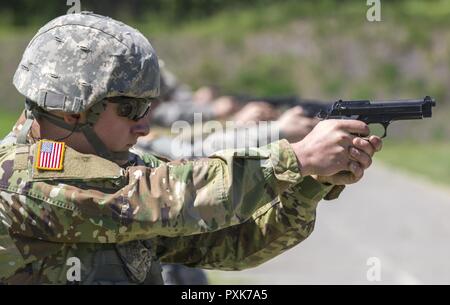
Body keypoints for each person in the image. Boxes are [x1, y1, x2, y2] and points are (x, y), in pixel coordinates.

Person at [0, 12, 382, 284]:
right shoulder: (19, 177)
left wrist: (312, 182)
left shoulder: (120, 167)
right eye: (130, 109)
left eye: (149, 108)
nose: (145, 124)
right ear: (69, 110)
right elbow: (160, 196)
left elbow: (235, 244)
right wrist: (296, 157)